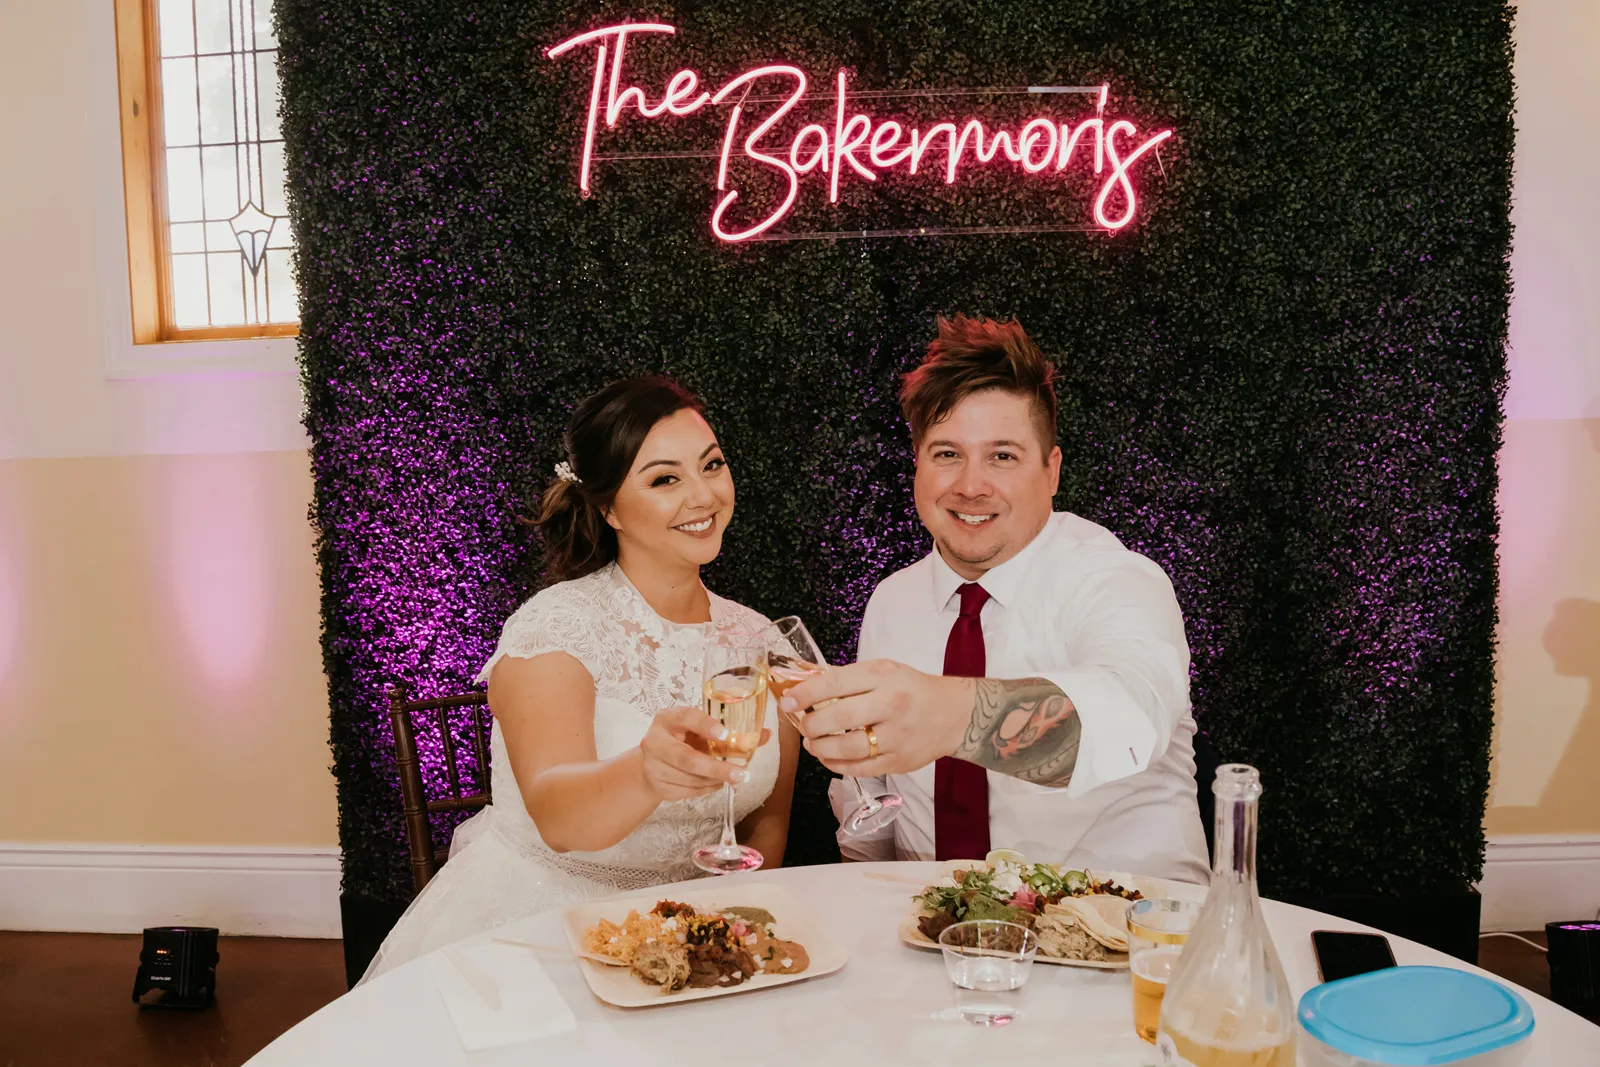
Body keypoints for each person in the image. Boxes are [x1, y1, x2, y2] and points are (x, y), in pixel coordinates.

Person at [362, 377, 800, 981]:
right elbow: (558, 818)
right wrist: (646, 772)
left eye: (712, 465)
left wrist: (728, 933)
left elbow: (765, 822)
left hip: (703, 939)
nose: (703, 496)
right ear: (607, 506)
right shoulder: (555, 627)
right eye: (664, 479)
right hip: (544, 933)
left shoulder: (761, 641)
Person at [783, 315, 1208, 883]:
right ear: (917, 467)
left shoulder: (1116, 578)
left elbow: (1128, 722)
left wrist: (948, 717)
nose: (971, 485)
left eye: (1002, 456)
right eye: (946, 454)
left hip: (1124, 942)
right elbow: (876, 803)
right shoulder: (893, 600)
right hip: (931, 937)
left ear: (1051, 472)